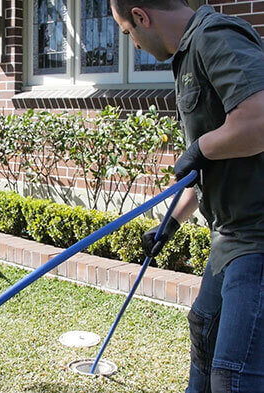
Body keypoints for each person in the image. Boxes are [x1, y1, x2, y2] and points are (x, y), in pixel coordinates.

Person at [111, 1, 264, 392]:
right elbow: (210, 169)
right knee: (204, 343)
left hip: (257, 239)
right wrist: (170, 224)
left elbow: (259, 120)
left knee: (233, 376)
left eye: (128, 33)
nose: (134, 45)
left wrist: (201, 148)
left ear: (141, 16)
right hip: (229, 237)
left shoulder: (215, 37)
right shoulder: (188, 57)